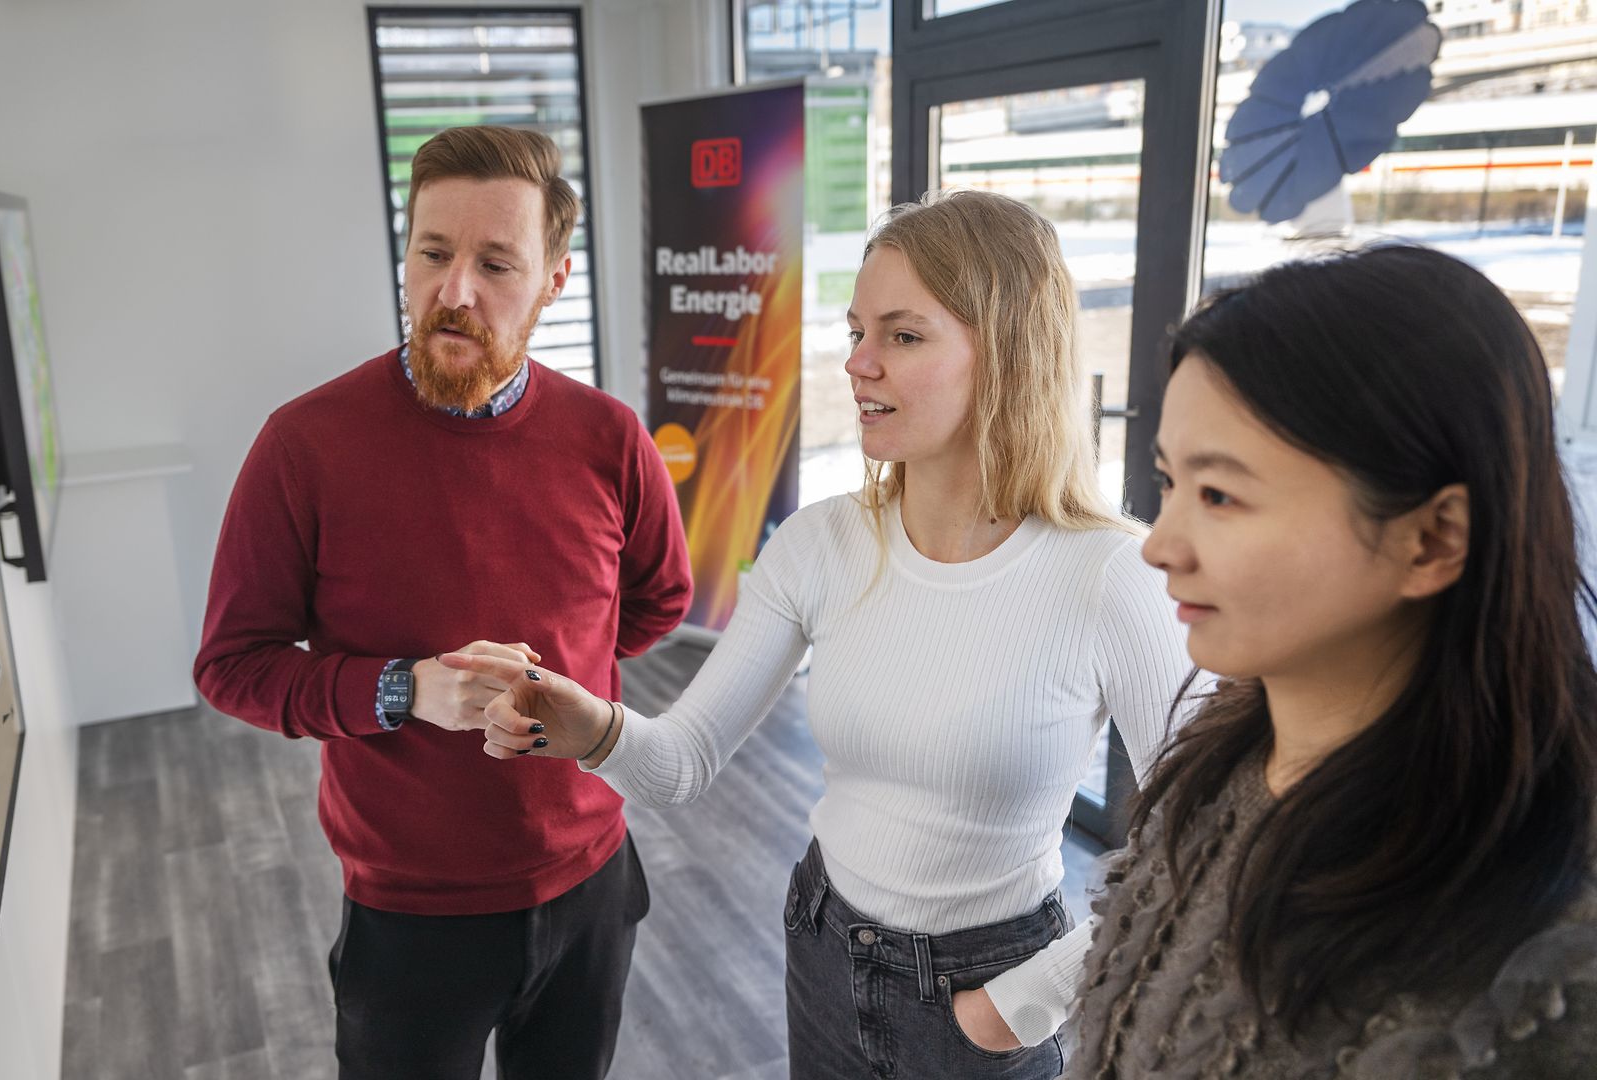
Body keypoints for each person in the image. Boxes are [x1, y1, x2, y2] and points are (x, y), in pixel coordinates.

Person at [444, 189, 1192, 1078]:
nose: (857, 364)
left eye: (902, 336)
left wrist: (1018, 1005)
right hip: (824, 947)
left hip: (992, 988)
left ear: (1010, 356)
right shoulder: (821, 544)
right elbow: (682, 763)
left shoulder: (1115, 575)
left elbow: (1211, 848)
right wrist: (590, 728)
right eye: (856, 333)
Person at [193, 125, 693, 1080]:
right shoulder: (304, 447)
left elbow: (658, 598)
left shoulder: (610, 438)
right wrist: (404, 690)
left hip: (593, 883)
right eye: (432, 253)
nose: (454, 291)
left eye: (496, 263)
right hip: (410, 917)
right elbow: (233, 666)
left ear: (553, 279)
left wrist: (565, 681)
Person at [1067, 245, 1597, 1078]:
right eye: (1169, 482)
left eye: (1219, 496)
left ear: (1433, 539)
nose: (1160, 546)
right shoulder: (1219, 764)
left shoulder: (1553, 945)